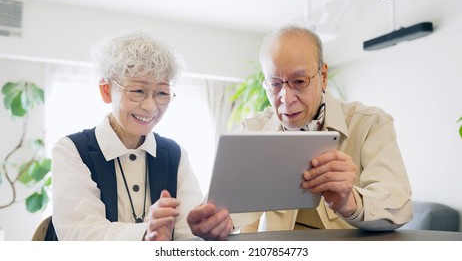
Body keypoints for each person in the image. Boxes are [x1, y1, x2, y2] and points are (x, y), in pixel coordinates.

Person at [51, 31, 231, 241]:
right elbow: (78, 234)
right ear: (106, 90)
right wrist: (145, 233)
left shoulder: (175, 154)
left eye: (162, 93)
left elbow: (187, 234)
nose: (150, 107)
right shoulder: (72, 150)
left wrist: (205, 230)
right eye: (137, 91)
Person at [239, 25, 413, 231]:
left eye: (299, 81)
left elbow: (400, 208)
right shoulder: (252, 130)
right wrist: (215, 221)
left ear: (323, 77)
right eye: (275, 83)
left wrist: (349, 202)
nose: (285, 99)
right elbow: (227, 204)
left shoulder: (370, 124)